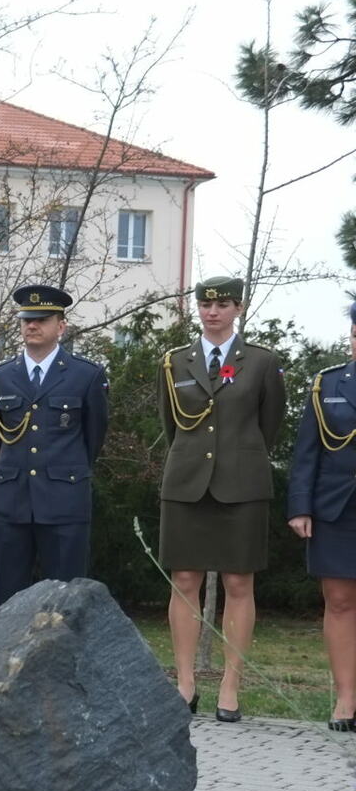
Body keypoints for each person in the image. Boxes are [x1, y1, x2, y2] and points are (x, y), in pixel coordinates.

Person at [161, 275, 285, 722]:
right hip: (187, 482)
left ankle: (231, 684)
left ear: (238, 308)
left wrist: (239, 459)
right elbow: (171, 425)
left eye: (223, 304)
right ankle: (185, 681)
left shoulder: (261, 362)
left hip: (242, 484)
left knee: (238, 583)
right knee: (186, 580)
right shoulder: (175, 362)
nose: (212, 312)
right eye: (205, 305)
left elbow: (268, 425)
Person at [0, 284, 109, 607]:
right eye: (27, 320)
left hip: (64, 501)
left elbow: (92, 439)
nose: (32, 326)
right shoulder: (0, 376)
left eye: (41, 319)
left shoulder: (86, 376)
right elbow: (4, 438)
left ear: (61, 326)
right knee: (5, 601)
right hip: (13, 502)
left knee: (65, 602)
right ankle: (4, 660)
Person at [288, 303, 356, 732]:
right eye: (355, 331)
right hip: (337, 507)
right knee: (340, 601)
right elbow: (307, 450)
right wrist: (300, 505)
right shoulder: (326, 384)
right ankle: (347, 696)